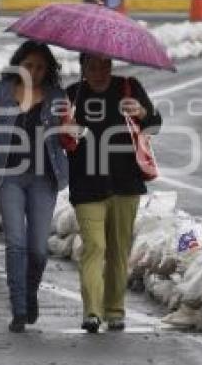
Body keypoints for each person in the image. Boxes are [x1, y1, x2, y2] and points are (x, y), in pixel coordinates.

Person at [0, 41, 78, 333]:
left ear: (48, 69)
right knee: (16, 243)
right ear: (18, 65)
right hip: (8, 176)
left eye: (40, 67)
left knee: (37, 249)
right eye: (28, 66)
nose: (34, 72)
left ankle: (30, 291)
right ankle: (19, 309)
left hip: (43, 179)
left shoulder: (56, 96)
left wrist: (69, 131)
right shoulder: (0, 93)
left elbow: (69, 143)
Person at [65, 54, 162, 333]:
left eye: (104, 65)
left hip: (125, 182)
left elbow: (155, 124)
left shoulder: (129, 88)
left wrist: (142, 114)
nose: (99, 72)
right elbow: (56, 136)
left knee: (119, 250)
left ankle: (115, 311)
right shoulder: (72, 96)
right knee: (94, 247)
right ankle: (92, 312)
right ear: (82, 68)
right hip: (86, 183)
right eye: (92, 66)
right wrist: (66, 128)